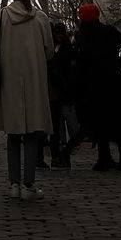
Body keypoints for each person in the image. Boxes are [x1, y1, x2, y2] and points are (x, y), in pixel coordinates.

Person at [0, 0, 54, 202]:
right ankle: (29, 183)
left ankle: (13, 183)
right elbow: (50, 52)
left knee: (13, 135)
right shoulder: (41, 18)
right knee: (33, 134)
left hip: (11, 81)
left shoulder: (1, 16)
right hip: (34, 81)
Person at [70, 3, 121, 171]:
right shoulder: (109, 31)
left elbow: (81, 63)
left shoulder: (83, 38)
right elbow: (120, 40)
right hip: (116, 81)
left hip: (95, 85)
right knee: (119, 120)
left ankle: (104, 157)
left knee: (99, 122)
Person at [47, 22, 78, 169]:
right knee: (57, 126)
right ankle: (59, 155)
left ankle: (63, 153)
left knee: (66, 124)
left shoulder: (64, 49)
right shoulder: (60, 48)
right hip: (58, 92)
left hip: (62, 92)